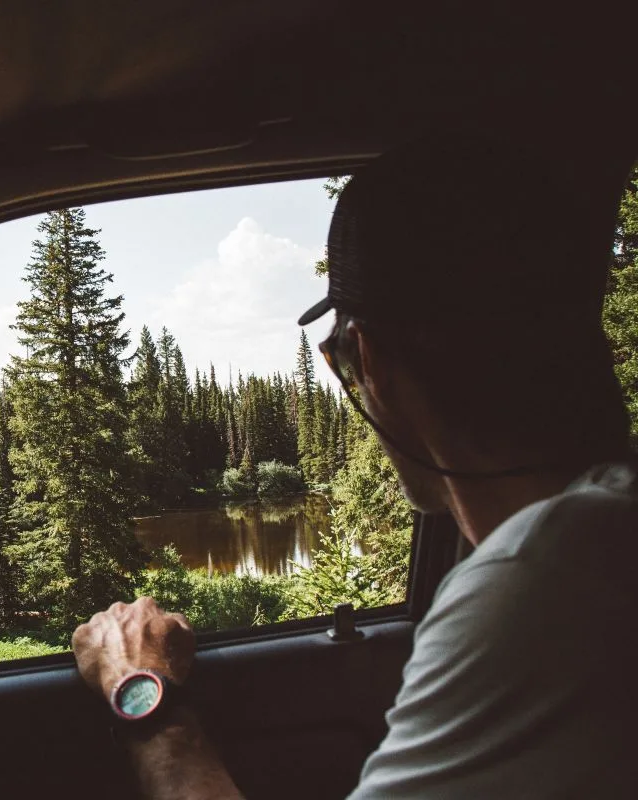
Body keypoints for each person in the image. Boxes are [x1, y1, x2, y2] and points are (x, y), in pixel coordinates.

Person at [72, 134, 638, 798]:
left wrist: (145, 697)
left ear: (368, 359)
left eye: (341, 361)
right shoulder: (597, 539)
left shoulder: (541, 584)